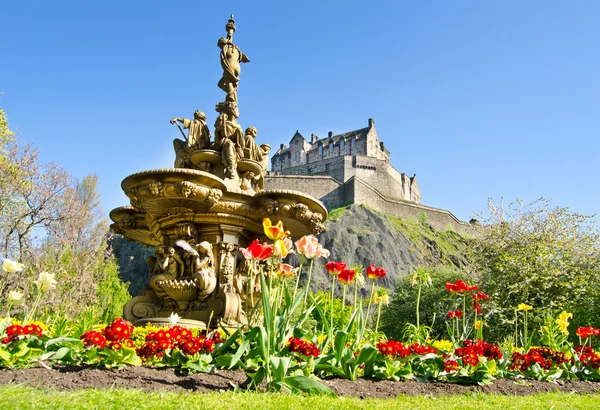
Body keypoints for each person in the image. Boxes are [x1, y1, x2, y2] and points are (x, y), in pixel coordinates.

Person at [213, 101, 245, 178]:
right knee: (229, 144)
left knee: (238, 132)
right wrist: (219, 128)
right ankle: (231, 168)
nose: (239, 113)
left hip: (237, 147)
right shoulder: (223, 122)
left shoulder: (237, 126)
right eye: (237, 110)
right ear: (231, 110)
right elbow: (217, 137)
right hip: (223, 143)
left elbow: (240, 139)